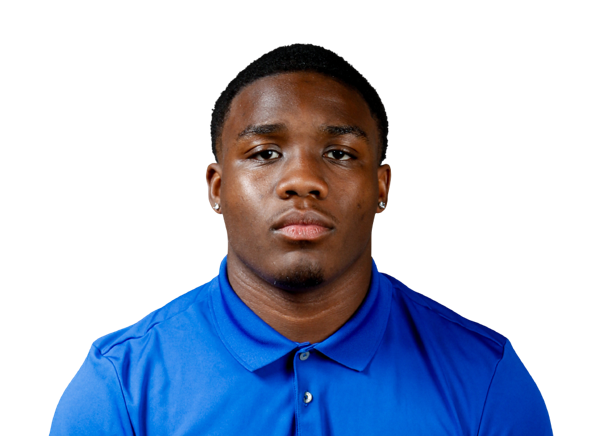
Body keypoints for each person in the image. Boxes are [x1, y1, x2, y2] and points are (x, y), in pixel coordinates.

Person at [50, 43, 552, 435]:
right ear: (217, 188)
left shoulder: (487, 379)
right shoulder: (119, 386)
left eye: (339, 153)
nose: (303, 181)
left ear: (381, 187)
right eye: (265, 153)